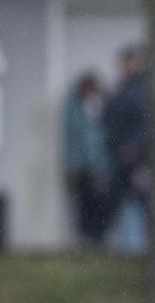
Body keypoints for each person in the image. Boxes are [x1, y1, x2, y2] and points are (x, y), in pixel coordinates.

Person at [104, 47, 150, 255]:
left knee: (135, 202)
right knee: (129, 202)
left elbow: (143, 126)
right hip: (125, 160)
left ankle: (135, 248)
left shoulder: (137, 92)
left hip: (136, 160)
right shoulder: (124, 91)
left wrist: (133, 147)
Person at [63, 72, 112, 246]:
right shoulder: (75, 108)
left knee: (100, 205)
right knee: (84, 206)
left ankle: (98, 239)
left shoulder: (104, 105)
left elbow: (106, 136)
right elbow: (72, 139)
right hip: (83, 167)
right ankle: (86, 240)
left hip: (101, 167)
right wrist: (72, 165)